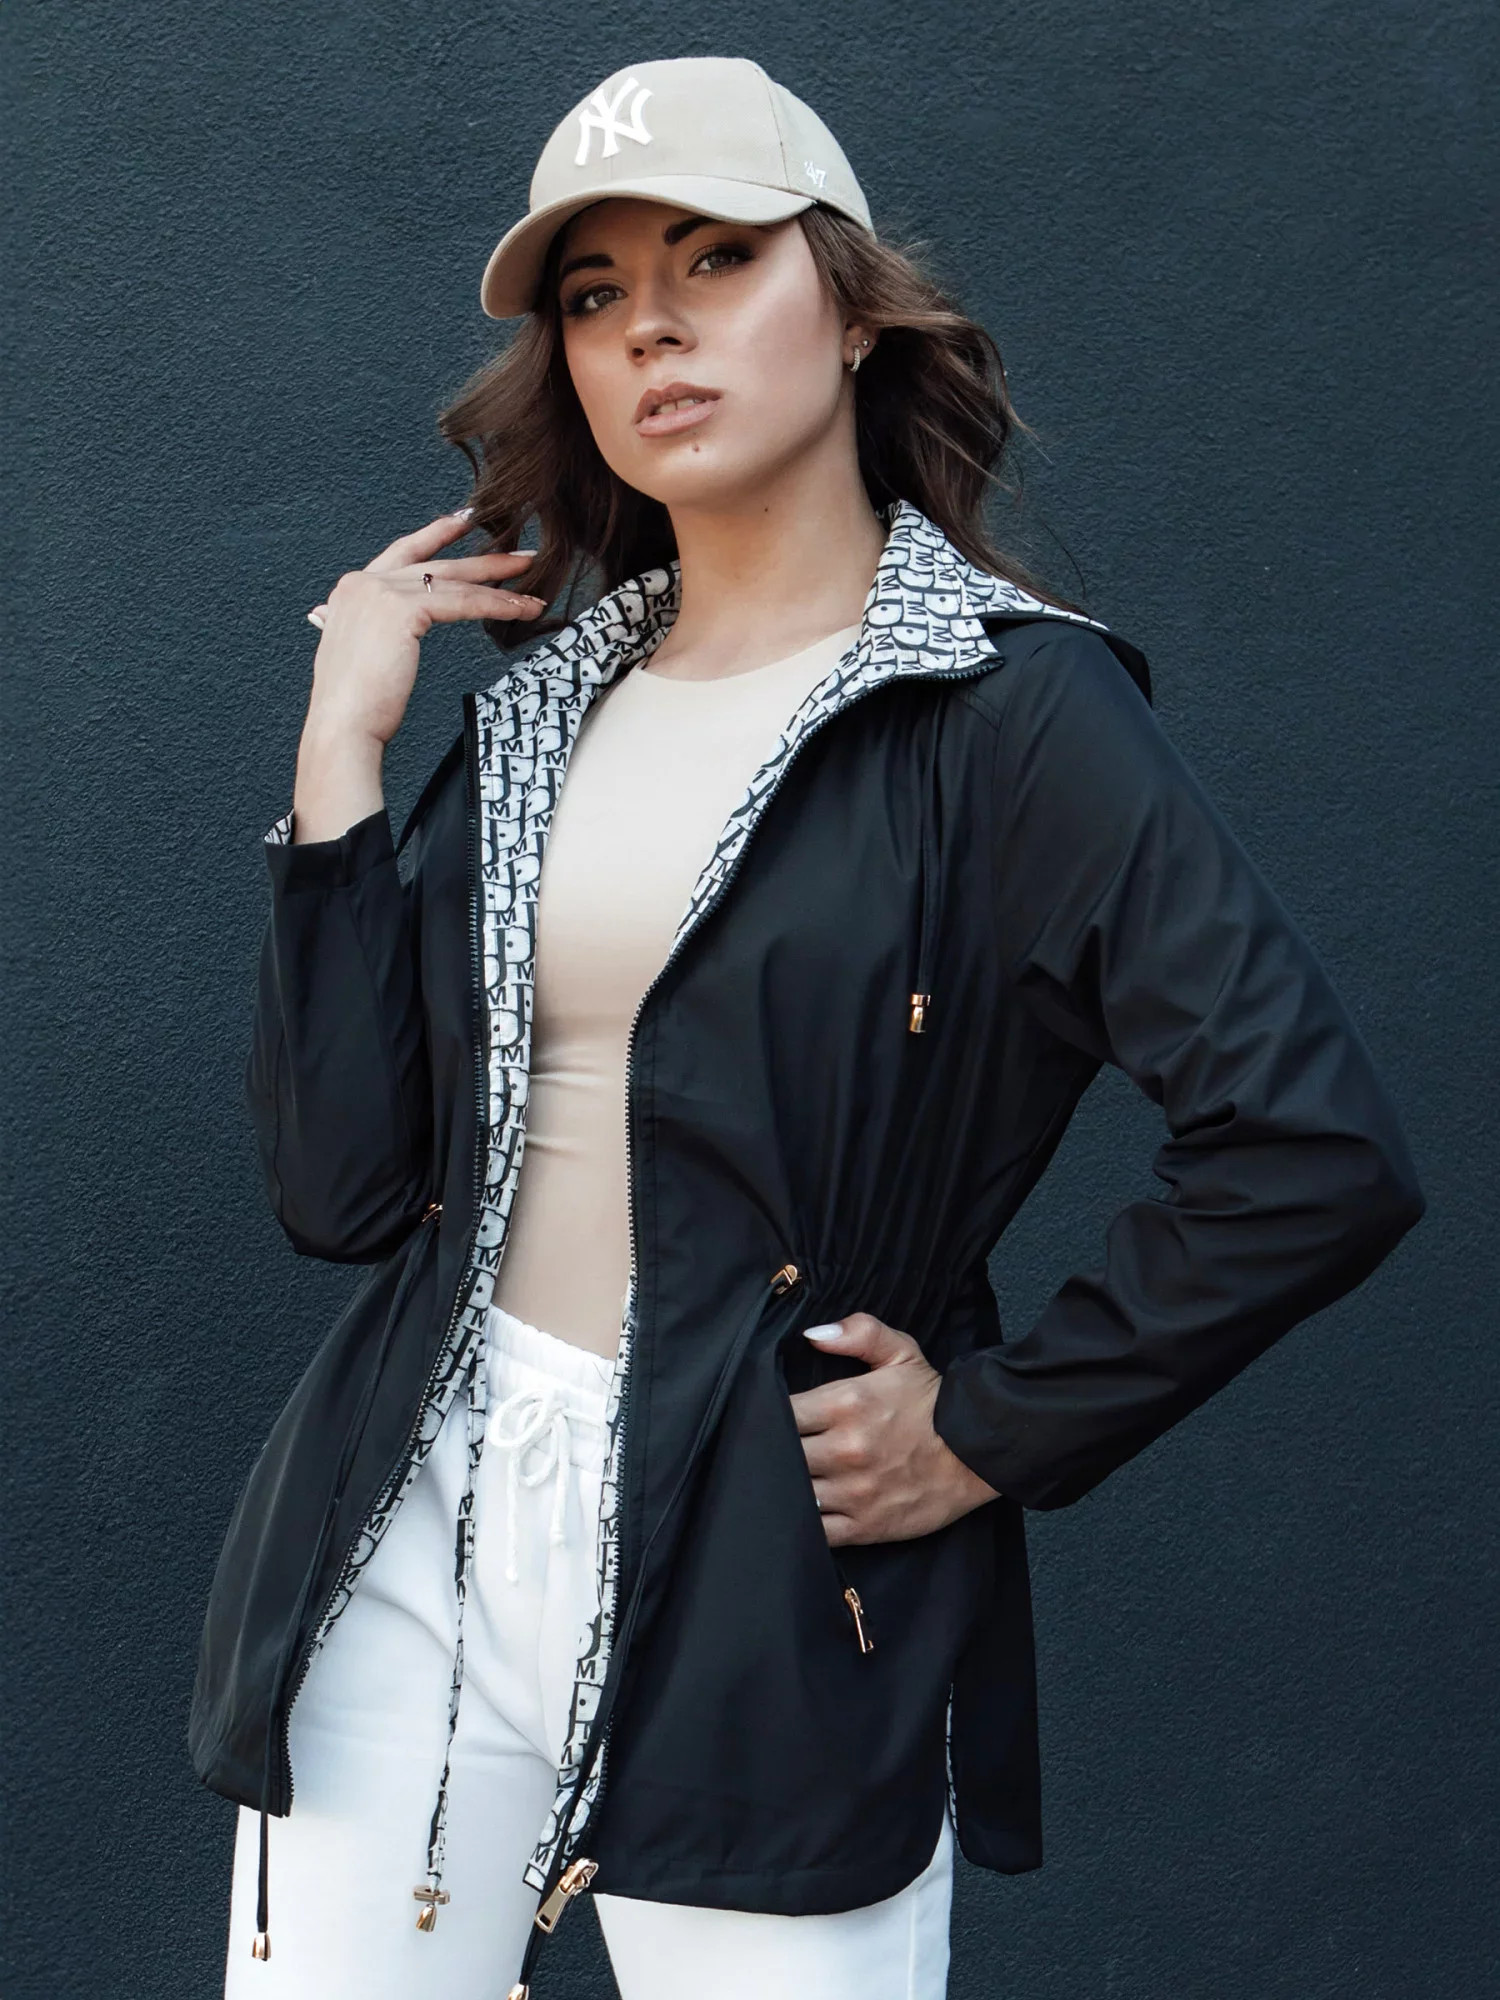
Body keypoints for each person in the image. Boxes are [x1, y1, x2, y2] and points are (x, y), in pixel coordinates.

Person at [191, 54, 1424, 2000]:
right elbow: (344, 1191)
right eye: (594, 292)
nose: (650, 326)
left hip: (770, 1572)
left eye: (715, 258)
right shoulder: (544, 711)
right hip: (416, 1525)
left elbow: (1313, 1146)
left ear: (852, 310)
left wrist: (991, 1431)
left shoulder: (1010, 711)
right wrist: (340, 757)